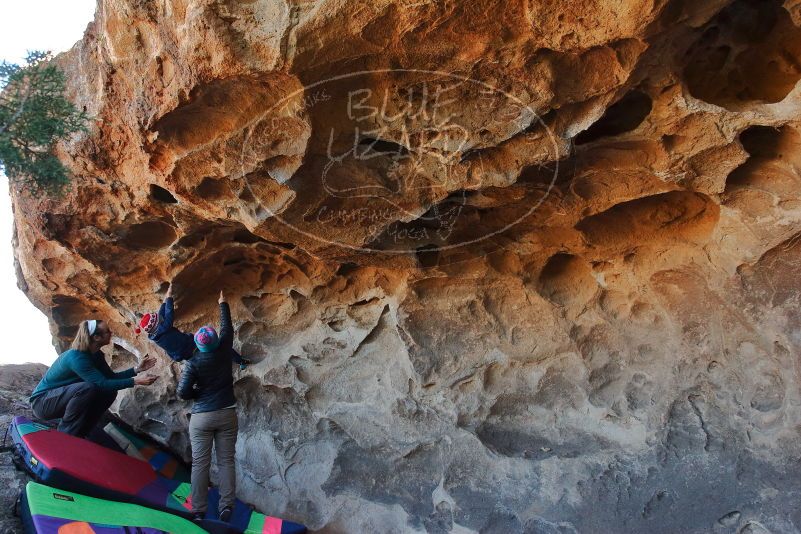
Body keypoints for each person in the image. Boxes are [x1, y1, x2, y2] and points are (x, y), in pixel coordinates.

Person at [30, 319, 158, 438]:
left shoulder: (96, 355)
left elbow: (110, 378)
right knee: (87, 388)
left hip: (63, 400)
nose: (111, 333)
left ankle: (82, 434)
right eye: (107, 331)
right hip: (42, 404)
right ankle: (65, 437)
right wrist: (135, 381)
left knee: (109, 392)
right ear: (96, 337)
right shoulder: (76, 357)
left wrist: (136, 370)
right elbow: (102, 383)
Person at [176, 291, 240, 523]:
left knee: (200, 464)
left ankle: (199, 510)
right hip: (226, 413)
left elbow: (182, 392)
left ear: (198, 344)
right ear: (215, 341)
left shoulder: (193, 363)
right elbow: (227, 328)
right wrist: (223, 303)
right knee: (226, 461)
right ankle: (226, 507)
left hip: (201, 416)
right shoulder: (224, 350)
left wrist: (197, 394)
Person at [138, 283, 249, 367]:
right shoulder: (165, 327)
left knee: (203, 365)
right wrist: (169, 297)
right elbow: (169, 313)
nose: (161, 317)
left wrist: (165, 300)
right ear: (158, 324)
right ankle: (241, 362)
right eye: (159, 320)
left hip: (185, 356)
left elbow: (161, 314)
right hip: (193, 347)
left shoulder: (155, 335)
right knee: (221, 346)